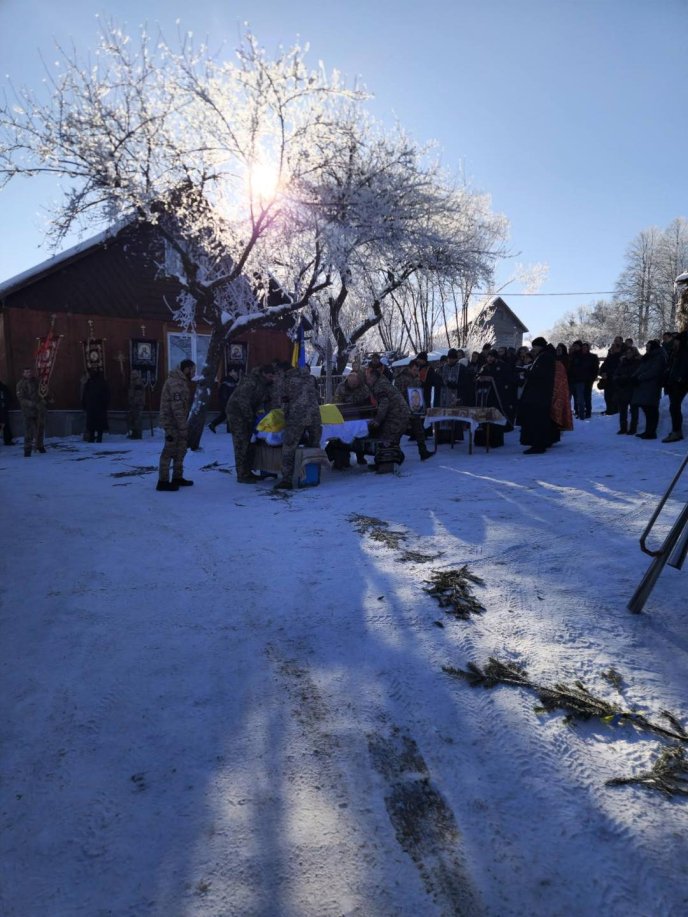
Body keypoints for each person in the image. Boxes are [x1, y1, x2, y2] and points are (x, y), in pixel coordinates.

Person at [226, 364, 276, 483]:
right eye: (270, 376)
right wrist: (250, 418)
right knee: (241, 443)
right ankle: (242, 474)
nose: (272, 379)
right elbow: (242, 400)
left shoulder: (264, 384)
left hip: (248, 414)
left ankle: (248, 471)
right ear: (263, 374)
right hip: (237, 414)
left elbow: (263, 401)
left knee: (250, 443)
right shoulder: (251, 381)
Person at [275, 365, 322, 489]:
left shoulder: (287, 380)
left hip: (296, 417)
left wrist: (286, 416)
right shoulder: (311, 378)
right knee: (314, 445)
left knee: (289, 447)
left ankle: (287, 480)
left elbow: (284, 401)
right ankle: (313, 475)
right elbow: (318, 397)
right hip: (314, 416)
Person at [156, 359, 195, 491]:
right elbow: (177, 408)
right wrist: (183, 426)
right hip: (172, 423)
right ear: (186, 369)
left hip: (179, 422)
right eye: (192, 370)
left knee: (181, 450)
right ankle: (163, 482)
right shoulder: (175, 383)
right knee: (169, 451)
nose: (193, 373)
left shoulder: (182, 381)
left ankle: (177, 477)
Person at [365, 365, 412, 464]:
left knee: (386, 439)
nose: (367, 381)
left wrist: (377, 420)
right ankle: (393, 459)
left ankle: (388, 463)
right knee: (392, 440)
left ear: (373, 377)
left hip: (396, 416)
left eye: (368, 378)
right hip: (401, 414)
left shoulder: (379, 386)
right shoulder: (383, 382)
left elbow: (384, 403)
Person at [517, 337, 557, 454]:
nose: (533, 349)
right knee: (540, 419)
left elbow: (539, 374)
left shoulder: (544, 357)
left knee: (537, 419)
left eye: (534, 346)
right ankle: (542, 442)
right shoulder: (545, 356)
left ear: (539, 346)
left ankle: (538, 444)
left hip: (539, 394)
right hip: (541, 393)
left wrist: (526, 372)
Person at [329, 370, 372, 468]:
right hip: (345, 417)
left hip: (360, 416)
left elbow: (368, 401)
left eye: (355, 383)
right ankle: (342, 460)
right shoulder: (341, 387)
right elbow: (336, 403)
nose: (353, 385)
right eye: (352, 383)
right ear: (348, 381)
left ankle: (360, 456)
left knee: (361, 435)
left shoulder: (363, 387)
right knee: (342, 438)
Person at [393, 361, 433, 460]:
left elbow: (417, 392)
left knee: (419, 430)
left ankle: (423, 451)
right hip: (404, 408)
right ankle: (393, 451)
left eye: (417, 370)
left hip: (414, 408)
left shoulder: (414, 378)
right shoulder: (401, 378)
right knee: (399, 431)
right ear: (409, 368)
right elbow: (398, 393)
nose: (416, 372)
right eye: (414, 370)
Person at [631, 340, 667, 440]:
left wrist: (639, 377)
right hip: (644, 386)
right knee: (647, 409)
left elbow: (654, 371)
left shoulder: (659, 357)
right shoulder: (649, 356)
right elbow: (642, 368)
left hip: (652, 386)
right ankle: (648, 431)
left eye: (648, 346)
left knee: (651, 410)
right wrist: (634, 377)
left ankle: (651, 432)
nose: (646, 348)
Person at [663, 330, 688, 442]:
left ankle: (676, 432)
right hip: (674, 382)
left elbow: (683, 367)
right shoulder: (675, 351)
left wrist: (679, 378)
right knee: (674, 407)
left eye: (676, 340)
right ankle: (676, 431)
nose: (674, 342)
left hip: (680, 382)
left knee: (674, 407)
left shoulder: (684, 352)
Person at [16, 367, 46, 457]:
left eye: (29, 372)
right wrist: (32, 404)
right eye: (26, 372)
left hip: (38, 410)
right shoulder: (20, 384)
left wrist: (46, 399)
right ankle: (27, 449)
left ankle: (40, 446)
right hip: (28, 411)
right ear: (23, 374)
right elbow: (21, 399)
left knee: (40, 429)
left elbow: (43, 391)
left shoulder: (36, 382)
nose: (28, 373)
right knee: (28, 431)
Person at [613, 346, 641, 435]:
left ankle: (633, 428)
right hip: (622, 389)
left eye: (630, 352)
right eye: (627, 353)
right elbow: (616, 374)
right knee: (622, 410)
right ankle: (623, 428)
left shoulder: (638, 363)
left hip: (633, 389)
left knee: (634, 410)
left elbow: (637, 375)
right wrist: (619, 379)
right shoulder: (622, 362)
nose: (628, 354)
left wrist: (627, 378)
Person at [208, 368, 240, 433]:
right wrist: (225, 404)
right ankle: (229, 430)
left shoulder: (232, 381)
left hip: (230, 402)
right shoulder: (227, 381)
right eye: (235, 372)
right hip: (227, 402)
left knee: (224, 415)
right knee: (229, 415)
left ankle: (213, 424)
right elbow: (223, 394)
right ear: (230, 372)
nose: (236, 373)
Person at [82, 369, 110, 443]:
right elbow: (85, 394)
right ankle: (94, 437)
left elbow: (106, 394)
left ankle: (96, 438)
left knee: (96, 424)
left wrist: (84, 404)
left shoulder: (98, 382)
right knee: (94, 424)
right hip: (95, 407)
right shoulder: (91, 382)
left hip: (97, 407)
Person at [127, 369, 145, 439]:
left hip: (137, 404)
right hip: (134, 403)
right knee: (133, 419)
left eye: (133, 374)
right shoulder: (133, 382)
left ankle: (137, 435)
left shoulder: (138, 382)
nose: (131, 375)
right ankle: (134, 433)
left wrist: (134, 402)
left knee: (137, 419)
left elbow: (138, 394)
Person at [0, 379, 15, 445]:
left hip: (3, 409)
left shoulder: (3, 387)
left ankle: (8, 440)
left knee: (5, 424)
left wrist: (5, 404)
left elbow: (8, 397)